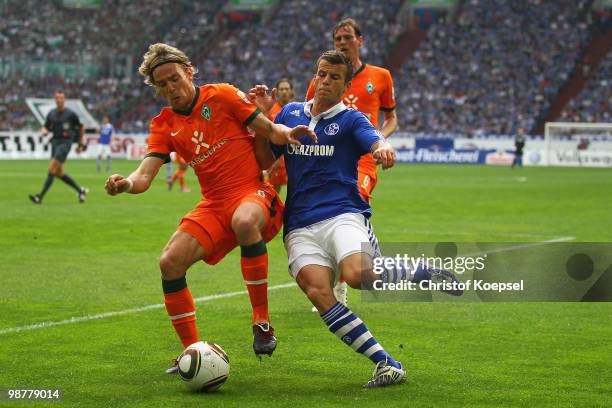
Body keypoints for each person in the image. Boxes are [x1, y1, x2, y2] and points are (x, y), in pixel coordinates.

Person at [104, 43, 316, 371]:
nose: (170, 88)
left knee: (245, 221)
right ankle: (193, 352)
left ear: (189, 73)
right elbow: (144, 176)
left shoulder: (223, 95)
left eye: (174, 78)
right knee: (170, 261)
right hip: (215, 204)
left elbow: (269, 129)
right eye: (162, 84)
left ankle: (261, 320)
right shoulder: (164, 124)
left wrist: (288, 133)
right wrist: (126, 184)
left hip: (253, 193)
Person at [252, 50, 406, 388]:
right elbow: (263, 160)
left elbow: (374, 138)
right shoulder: (291, 113)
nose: (325, 81)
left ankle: (414, 271)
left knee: (357, 276)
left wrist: (382, 148)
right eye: (322, 74)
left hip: (342, 214)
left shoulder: (352, 119)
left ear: (346, 85)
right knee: (318, 291)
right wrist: (264, 121)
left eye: (334, 77)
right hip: (299, 226)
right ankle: (385, 363)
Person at [306, 18, 398, 306]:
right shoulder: (321, 78)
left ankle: (356, 272)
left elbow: (392, 118)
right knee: (327, 212)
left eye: (347, 37)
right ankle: (337, 275)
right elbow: (312, 117)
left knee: (352, 197)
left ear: (360, 40)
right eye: (338, 39)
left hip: (364, 158)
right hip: (332, 156)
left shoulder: (380, 76)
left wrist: (378, 141)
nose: (342, 42)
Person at [29, 91, 88, 204]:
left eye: (61, 98)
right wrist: (44, 131)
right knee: (59, 173)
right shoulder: (51, 114)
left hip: (65, 143)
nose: (59, 100)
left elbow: (81, 127)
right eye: (57, 98)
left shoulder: (71, 114)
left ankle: (39, 197)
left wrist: (80, 144)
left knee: (51, 169)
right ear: (55, 100)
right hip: (55, 143)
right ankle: (81, 190)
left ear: (64, 100)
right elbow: (45, 127)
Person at [265, 78, 295, 194]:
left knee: (295, 190)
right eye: (281, 89)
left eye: (286, 89)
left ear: (291, 91)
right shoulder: (271, 111)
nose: (284, 91)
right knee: (274, 192)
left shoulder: (298, 109)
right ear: (277, 92)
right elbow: (265, 134)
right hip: (276, 159)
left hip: (293, 157)